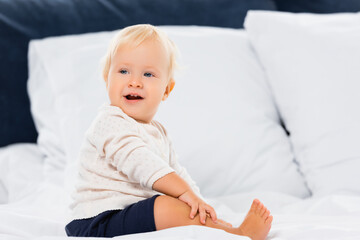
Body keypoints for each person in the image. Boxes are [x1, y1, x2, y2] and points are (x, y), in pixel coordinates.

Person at [65, 24, 273, 239]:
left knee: (177, 206)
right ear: (106, 78)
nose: (134, 82)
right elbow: (139, 160)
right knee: (164, 206)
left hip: (131, 214)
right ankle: (241, 234)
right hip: (97, 221)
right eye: (123, 71)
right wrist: (184, 193)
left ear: (166, 89)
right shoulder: (109, 121)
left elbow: (177, 172)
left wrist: (200, 205)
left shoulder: (158, 132)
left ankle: (218, 229)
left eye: (148, 74)